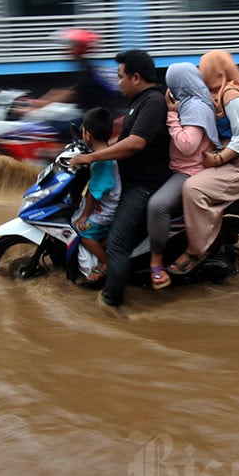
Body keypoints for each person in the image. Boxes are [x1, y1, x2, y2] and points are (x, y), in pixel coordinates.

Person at [70, 49, 171, 316]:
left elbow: (135, 143)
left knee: (116, 243)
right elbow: (122, 141)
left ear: (136, 77)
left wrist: (92, 156)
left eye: (121, 77)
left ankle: (110, 303)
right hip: (128, 181)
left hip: (143, 187)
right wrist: (91, 152)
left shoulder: (153, 103)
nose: (119, 82)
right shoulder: (139, 102)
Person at [167, 50, 239, 275]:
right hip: (225, 160)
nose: (200, 72)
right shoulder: (214, 96)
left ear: (215, 70)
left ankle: (196, 250)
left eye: (204, 67)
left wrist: (218, 159)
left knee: (193, 188)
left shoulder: (232, 96)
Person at [146, 62, 220, 290]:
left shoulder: (195, 107)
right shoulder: (187, 103)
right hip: (179, 166)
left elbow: (187, 145)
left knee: (157, 205)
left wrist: (171, 115)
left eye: (172, 83)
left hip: (191, 171)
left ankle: (156, 262)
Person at [72, 107, 121, 283]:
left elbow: (95, 192)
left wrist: (85, 216)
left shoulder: (100, 161)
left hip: (106, 210)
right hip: (106, 204)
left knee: (85, 234)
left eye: (84, 130)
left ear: (88, 135)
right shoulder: (104, 152)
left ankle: (104, 263)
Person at [21, 28, 117, 113]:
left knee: (54, 127)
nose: (65, 48)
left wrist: (35, 109)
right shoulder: (80, 65)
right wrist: (36, 102)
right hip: (88, 114)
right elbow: (61, 90)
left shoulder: (86, 70)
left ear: (79, 47)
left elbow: (68, 95)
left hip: (96, 120)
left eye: (71, 45)